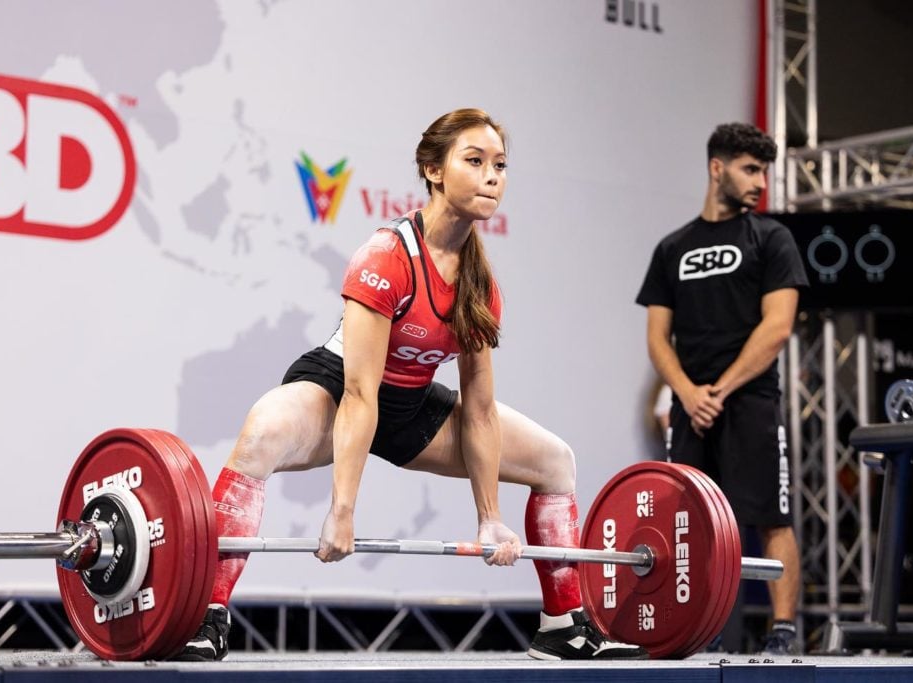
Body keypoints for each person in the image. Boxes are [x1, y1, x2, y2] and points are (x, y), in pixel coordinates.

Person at [177, 108, 648, 662]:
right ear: (433, 170)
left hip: (410, 405)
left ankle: (562, 626)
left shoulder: (480, 286)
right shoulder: (387, 257)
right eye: (474, 161)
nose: (492, 175)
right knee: (261, 434)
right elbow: (359, 393)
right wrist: (343, 511)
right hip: (337, 390)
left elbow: (479, 410)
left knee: (555, 462)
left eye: (500, 164)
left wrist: (489, 518)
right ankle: (203, 614)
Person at [634, 122, 808, 655]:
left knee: (768, 514)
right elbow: (658, 338)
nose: (760, 182)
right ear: (717, 169)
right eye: (750, 169)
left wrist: (721, 389)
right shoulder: (673, 248)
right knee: (686, 524)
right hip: (691, 407)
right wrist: (687, 393)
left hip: (750, 401)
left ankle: (781, 629)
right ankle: (691, 627)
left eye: (764, 171)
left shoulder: (772, 239)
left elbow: (776, 328)